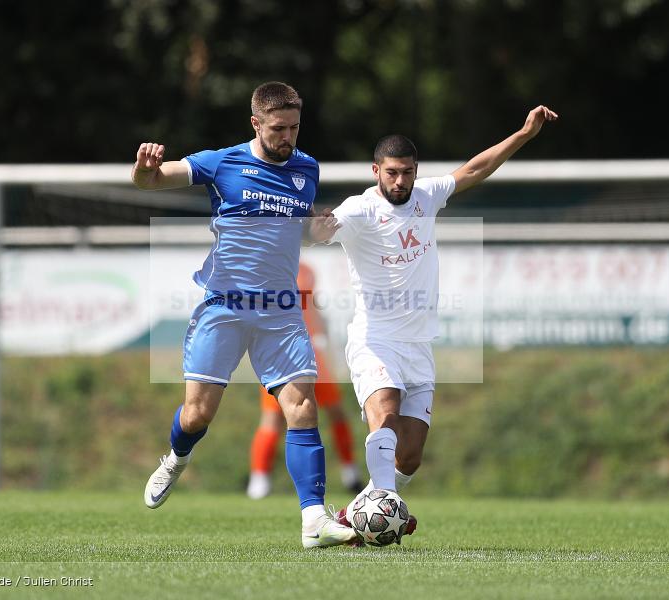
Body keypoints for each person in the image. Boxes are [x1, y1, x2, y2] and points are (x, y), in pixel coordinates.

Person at [313, 105, 559, 537]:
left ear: (415, 170)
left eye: (407, 172)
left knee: (408, 458)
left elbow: (475, 168)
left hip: (419, 345)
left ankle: (360, 516)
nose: (400, 181)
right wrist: (317, 225)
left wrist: (523, 134)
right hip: (375, 339)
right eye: (391, 172)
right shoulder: (360, 210)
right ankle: (383, 515)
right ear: (376, 170)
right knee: (384, 413)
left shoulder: (426, 196)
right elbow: (324, 228)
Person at [132, 81, 356, 548]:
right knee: (196, 416)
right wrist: (144, 169)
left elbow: (302, 232)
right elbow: (154, 181)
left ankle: (313, 520)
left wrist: (317, 229)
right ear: (256, 123)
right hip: (225, 307)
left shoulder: (307, 168)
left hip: (280, 310)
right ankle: (175, 458)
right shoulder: (222, 162)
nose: (288, 137)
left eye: (295, 127)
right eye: (279, 128)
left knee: (302, 406)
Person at [247, 262, 363, 500]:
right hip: (280, 352)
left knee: (337, 412)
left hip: (313, 352)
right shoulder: (266, 266)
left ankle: (350, 472)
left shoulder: (308, 269)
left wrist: (328, 346)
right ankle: (259, 478)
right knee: (273, 418)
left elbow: (314, 307)